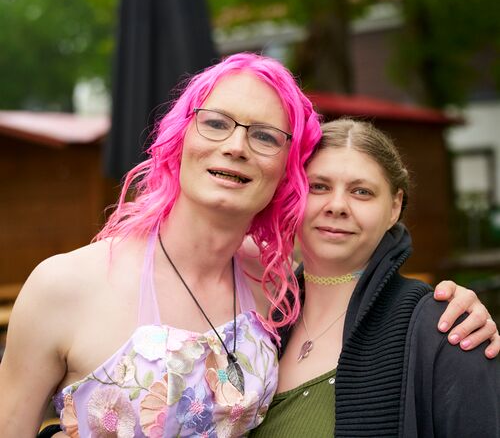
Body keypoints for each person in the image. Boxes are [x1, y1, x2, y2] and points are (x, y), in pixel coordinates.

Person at [0, 54, 497, 438]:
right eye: (216, 122)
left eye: (264, 136)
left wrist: (452, 306)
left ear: (285, 172)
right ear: (179, 136)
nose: (236, 146)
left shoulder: (273, 287)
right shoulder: (64, 286)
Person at [249, 119, 499, 438]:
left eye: (361, 192)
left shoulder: (447, 329)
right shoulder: (257, 318)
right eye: (319, 186)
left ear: (394, 207)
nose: (337, 206)